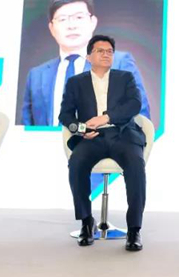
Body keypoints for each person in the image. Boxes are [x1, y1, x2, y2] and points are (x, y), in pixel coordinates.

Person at [60, 35, 146, 252]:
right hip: (92, 137)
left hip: (122, 134)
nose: (106, 54)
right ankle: (86, 222)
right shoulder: (76, 82)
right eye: (100, 51)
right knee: (76, 163)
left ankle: (134, 229)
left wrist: (106, 117)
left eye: (109, 51)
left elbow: (135, 104)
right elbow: (65, 115)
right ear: (89, 56)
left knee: (136, 165)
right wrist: (81, 129)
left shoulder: (125, 77)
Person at [22, 0, 150, 126]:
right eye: (62, 19)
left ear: (93, 22)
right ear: (52, 28)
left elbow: (140, 119)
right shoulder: (36, 75)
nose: (71, 26)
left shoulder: (119, 62)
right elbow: (26, 127)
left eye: (79, 17)